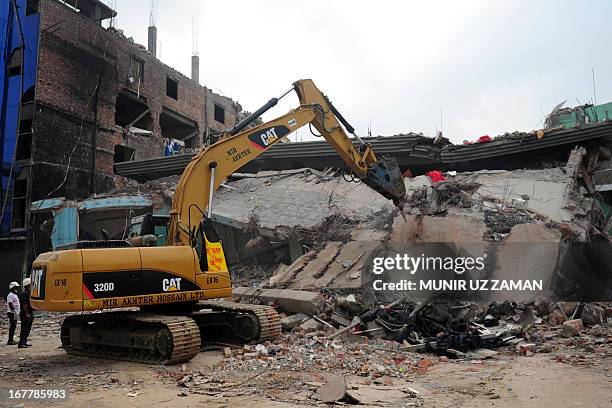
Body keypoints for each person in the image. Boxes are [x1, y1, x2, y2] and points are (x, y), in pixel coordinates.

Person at [18, 278, 33, 348]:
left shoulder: (29, 293)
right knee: (24, 329)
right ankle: (21, 343)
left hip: (29, 313)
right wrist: (27, 313)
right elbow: (24, 305)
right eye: (30, 284)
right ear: (27, 285)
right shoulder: (23, 294)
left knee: (28, 329)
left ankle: (24, 342)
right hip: (25, 314)